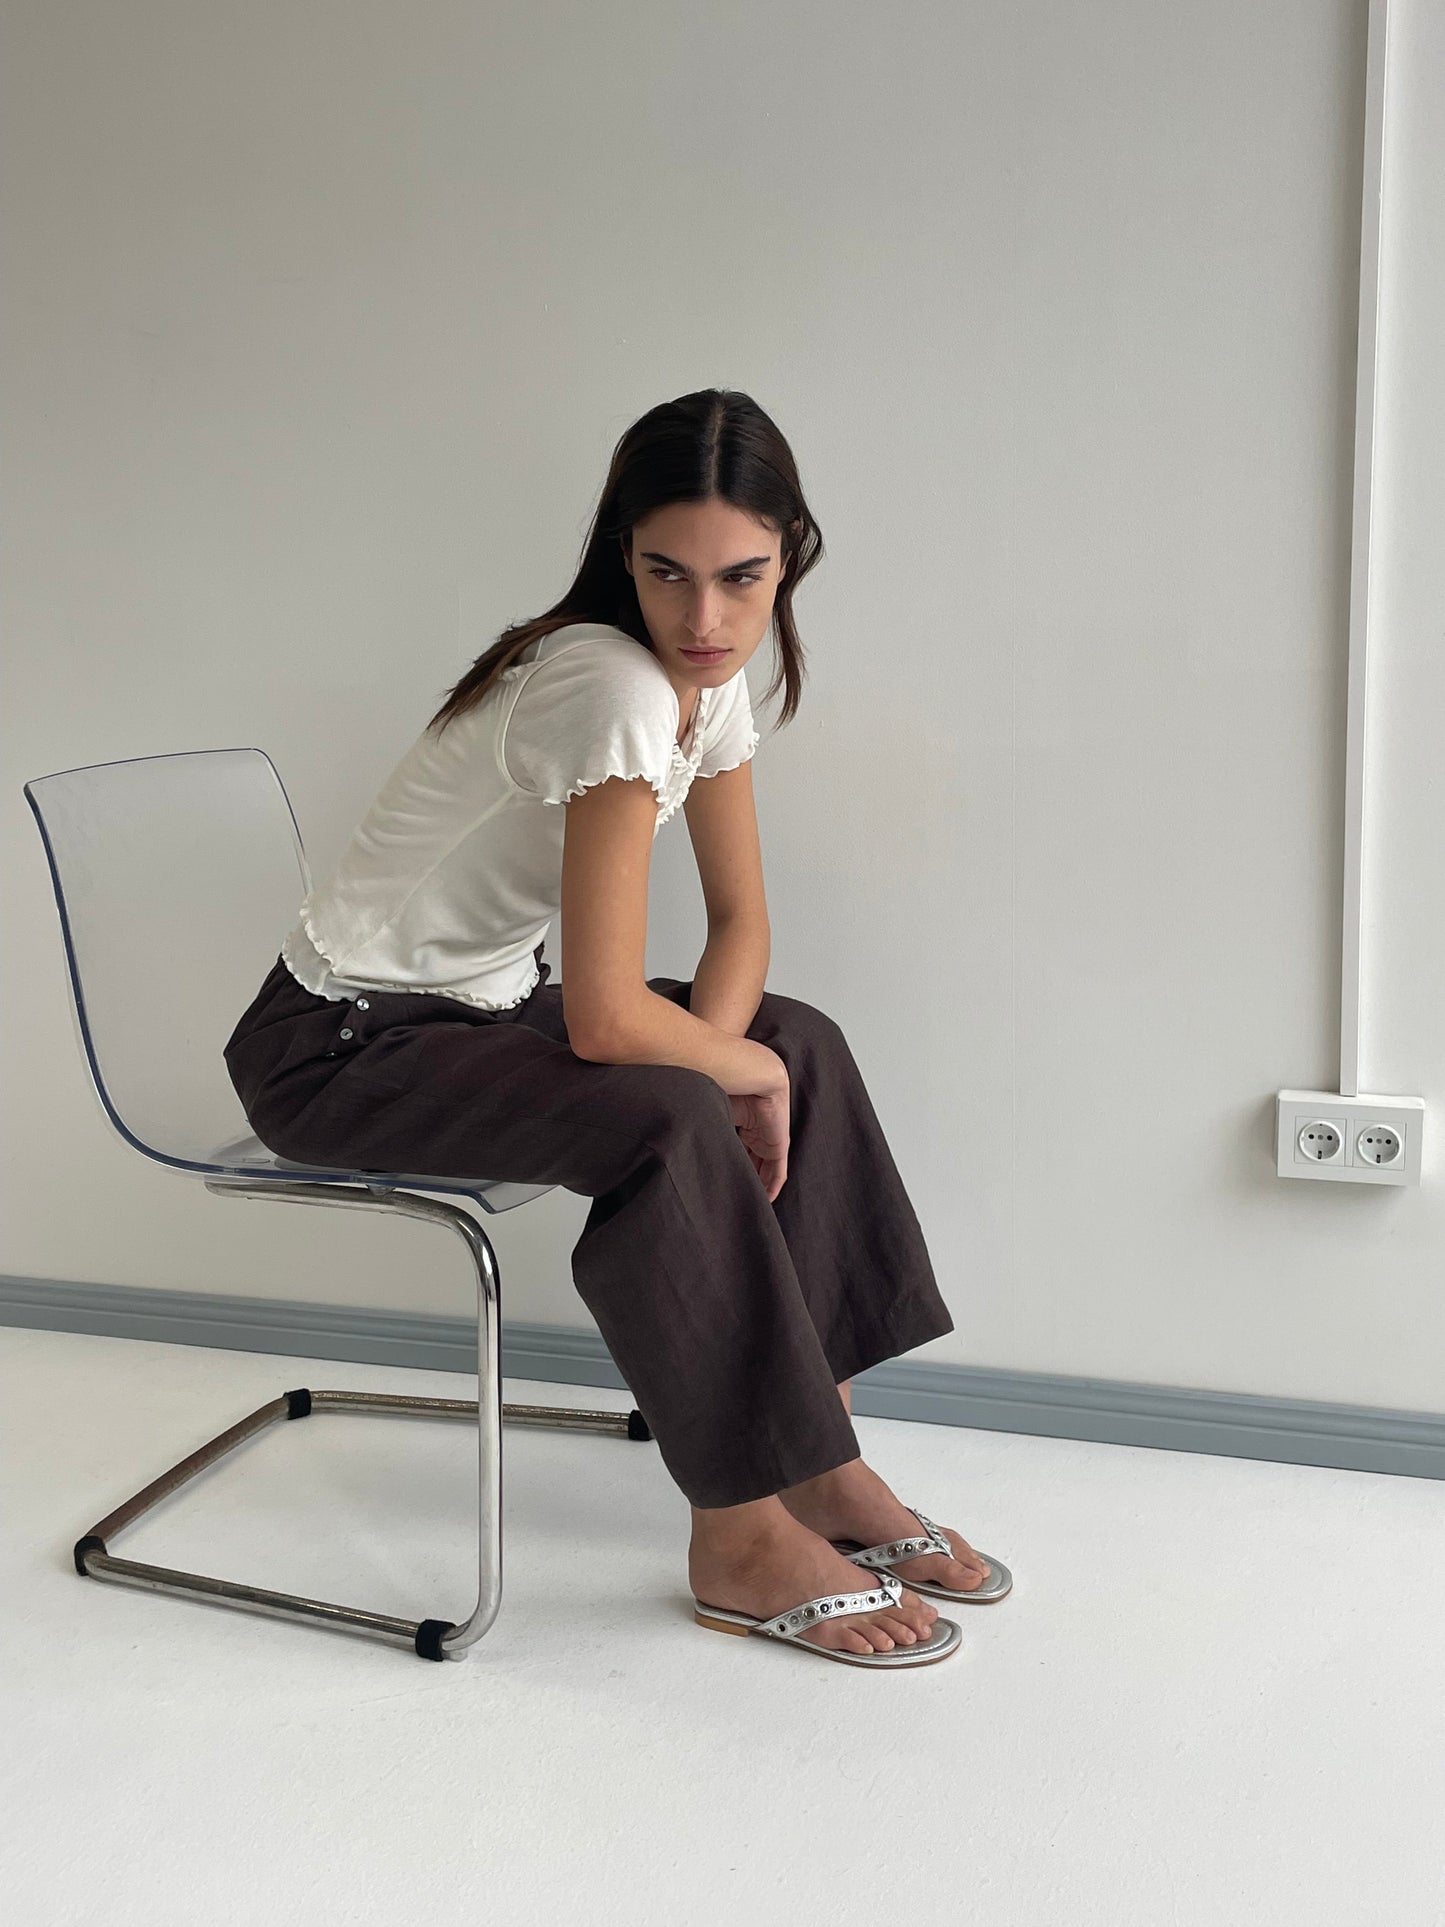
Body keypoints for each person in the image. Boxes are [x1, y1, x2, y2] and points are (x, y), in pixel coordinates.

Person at [224, 387, 1010, 1670]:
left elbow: (741, 922)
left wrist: (747, 1061)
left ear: (788, 554)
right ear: (619, 554)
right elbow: (599, 1017)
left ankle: (820, 1461)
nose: (704, 618)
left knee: (795, 1035)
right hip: (338, 1043)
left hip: (475, 1010)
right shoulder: (608, 682)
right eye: (666, 573)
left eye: (740, 577)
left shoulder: (712, 682)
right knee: (670, 1103)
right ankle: (742, 1534)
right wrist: (722, 1070)